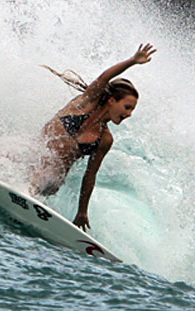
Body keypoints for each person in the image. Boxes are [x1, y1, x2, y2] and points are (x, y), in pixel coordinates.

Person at [30, 43, 155, 231]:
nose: (129, 114)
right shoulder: (85, 103)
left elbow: (90, 176)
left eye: (132, 110)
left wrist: (82, 212)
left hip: (50, 181)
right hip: (32, 156)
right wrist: (132, 61)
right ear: (112, 100)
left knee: (50, 175)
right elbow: (105, 77)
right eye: (127, 107)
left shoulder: (104, 140)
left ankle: (27, 196)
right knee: (17, 153)